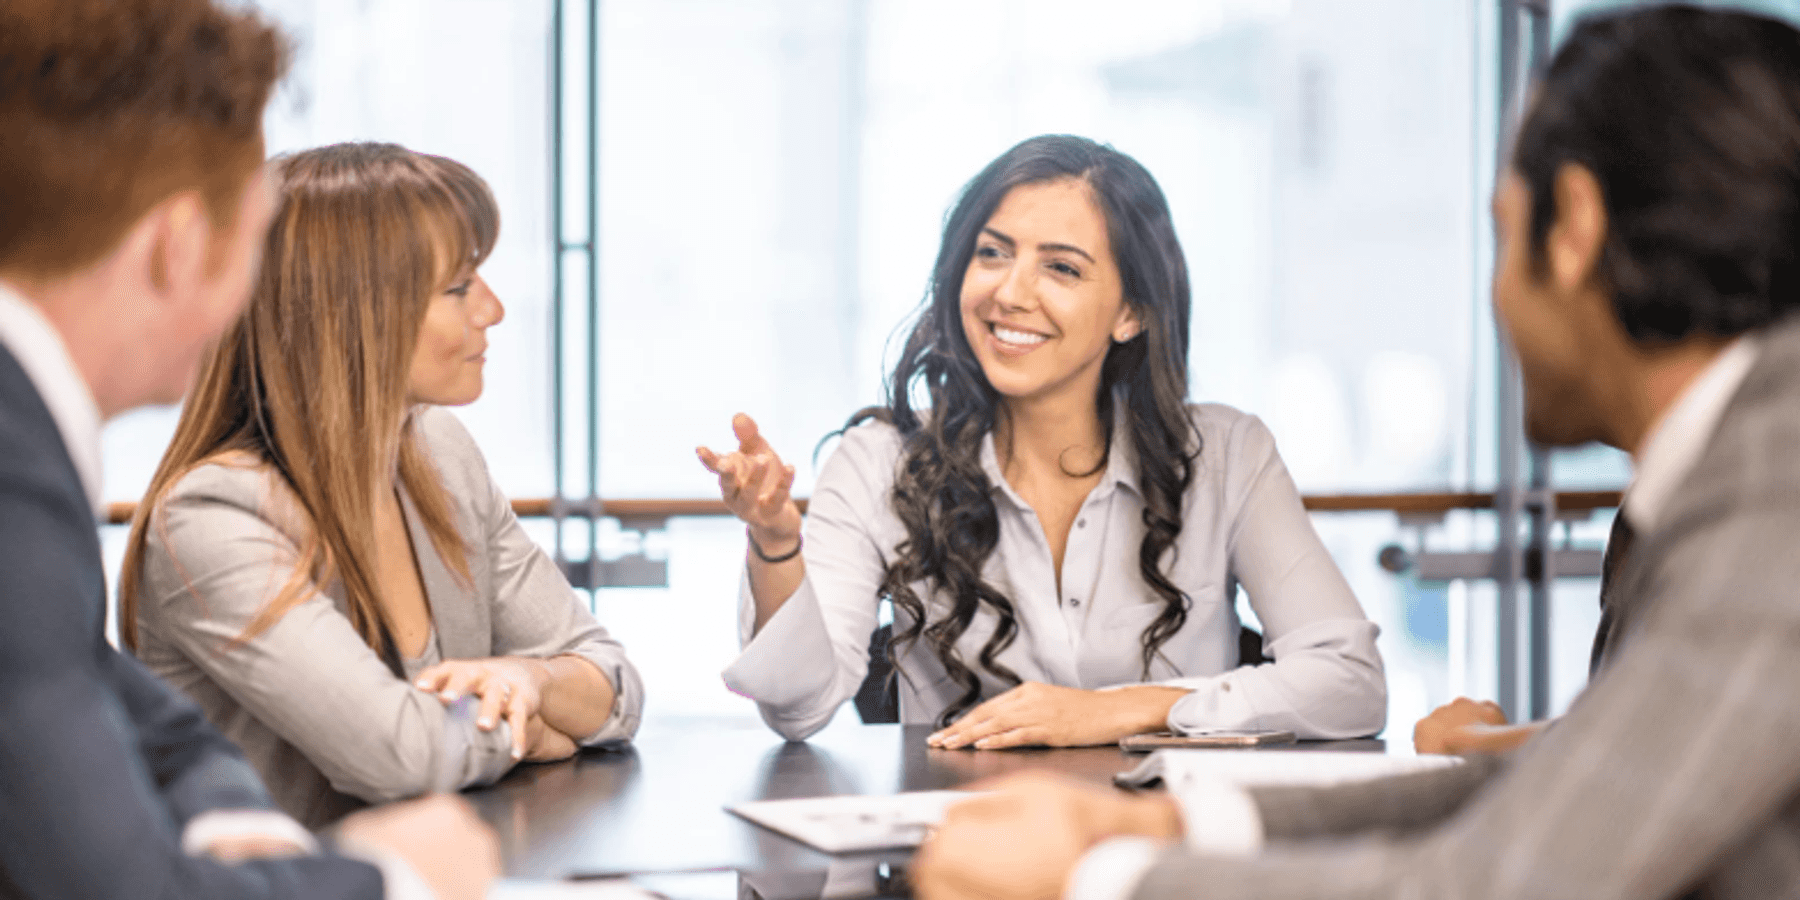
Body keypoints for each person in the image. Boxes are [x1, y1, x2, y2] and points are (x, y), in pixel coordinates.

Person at [912, 5, 1800, 899]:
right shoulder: (1737, 470)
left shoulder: (1776, 499)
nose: (1494, 301)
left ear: (1571, 228)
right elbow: (1576, 789)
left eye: (1499, 230)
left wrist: (1103, 876)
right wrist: (1174, 820)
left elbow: (1513, 881)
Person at [0, 2, 497, 899]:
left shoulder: (25, 438)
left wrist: (234, 821)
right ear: (177, 247)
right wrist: (393, 878)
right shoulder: (13, 473)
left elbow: (139, 714)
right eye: (257, 239)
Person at [700, 135, 1386, 746]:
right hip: (965, 862)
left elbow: (1350, 680)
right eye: (992, 254)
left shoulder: (1227, 454)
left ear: (1131, 313)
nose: (1010, 291)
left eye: (1061, 268)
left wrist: (1122, 711)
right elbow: (798, 711)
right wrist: (775, 541)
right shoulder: (882, 462)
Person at [119, 142, 645, 828]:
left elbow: (615, 683)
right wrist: (536, 725)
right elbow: (401, 754)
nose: (492, 310)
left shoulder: (440, 454)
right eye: (458, 287)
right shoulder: (214, 519)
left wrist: (534, 679)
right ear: (351, 315)